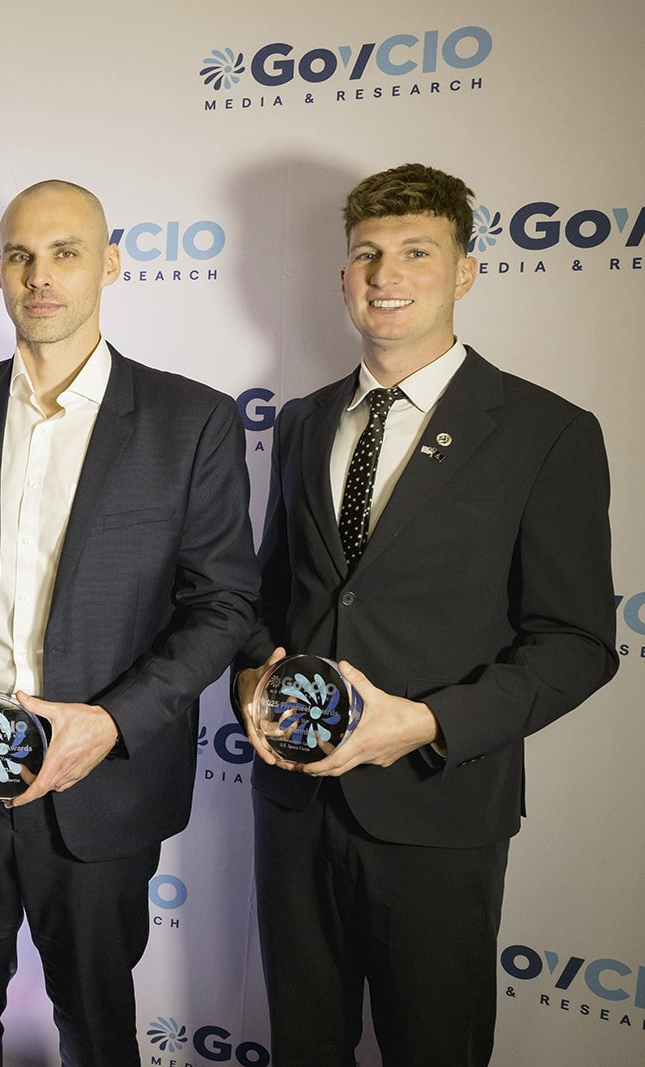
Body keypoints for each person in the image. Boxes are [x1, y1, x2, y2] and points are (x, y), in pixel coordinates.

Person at [234, 162, 617, 1066]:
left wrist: (429, 723)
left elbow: (577, 643)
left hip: (438, 809)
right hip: (296, 809)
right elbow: (268, 594)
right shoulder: (301, 421)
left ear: (465, 272)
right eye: (368, 254)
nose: (386, 274)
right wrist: (252, 676)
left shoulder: (547, 431)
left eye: (416, 251)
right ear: (343, 277)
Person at [0, 179, 258, 1065]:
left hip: (100, 788)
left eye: (65, 253)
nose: (39, 276)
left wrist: (111, 722)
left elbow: (222, 603)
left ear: (110, 264)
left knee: (96, 1030)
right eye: (19, 255)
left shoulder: (191, 419)